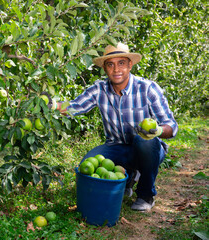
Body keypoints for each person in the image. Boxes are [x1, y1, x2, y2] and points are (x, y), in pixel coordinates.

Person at [56, 42, 178, 211]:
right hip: (116, 148)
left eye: (121, 63)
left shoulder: (147, 89)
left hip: (148, 149)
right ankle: (127, 179)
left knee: (144, 141)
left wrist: (157, 131)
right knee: (88, 163)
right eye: (110, 64)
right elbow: (74, 107)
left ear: (130, 65)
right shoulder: (99, 89)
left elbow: (171, 125)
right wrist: (48, 104)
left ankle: (145, 195)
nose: (116, 69)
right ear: (105, 68)